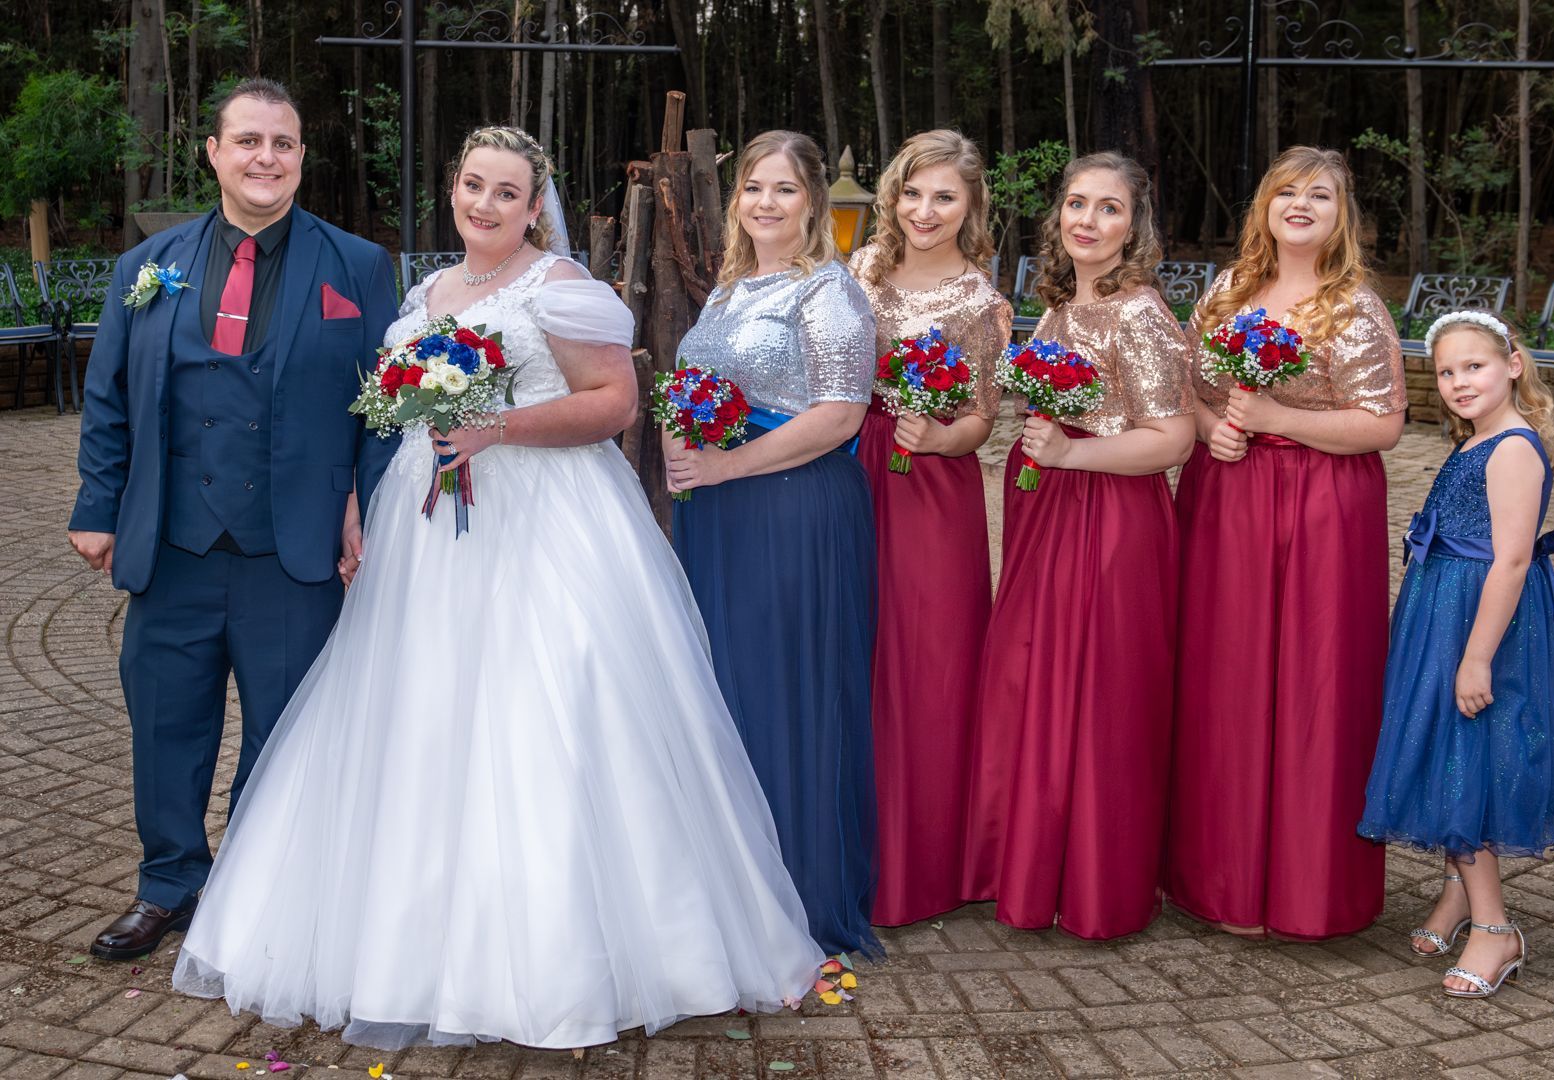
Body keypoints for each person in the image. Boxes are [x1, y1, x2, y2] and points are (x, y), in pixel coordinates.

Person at [171, 126, 823, 1050]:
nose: (485, 205)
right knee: (420, 715)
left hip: (545, 524)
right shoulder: (426, 293)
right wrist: (360, 499)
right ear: (454, 188)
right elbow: (393, 420)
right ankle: (409, 949)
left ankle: (569, 962)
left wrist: (497, 429)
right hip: (425, 529)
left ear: (532, 207)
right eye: (473, 185)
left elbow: (614, 404)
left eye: (507, 193)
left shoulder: (559, 287)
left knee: (544, 710)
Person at [67, 78, 399, 960]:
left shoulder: (358, 266)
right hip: (170, 540)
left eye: (282, 143)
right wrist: (97, 505)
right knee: (165, 724)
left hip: (293, 545)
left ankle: (256, 894)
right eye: (247, 140)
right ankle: (169, 884)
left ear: (302, 157)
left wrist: (368, 511)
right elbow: (108, 397)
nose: (265, 157)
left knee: (283, 731)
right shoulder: (146, 268)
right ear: (213, 153)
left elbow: (385, 407)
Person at [1163, 146, 1406, 940]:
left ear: (1342, 217)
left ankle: (1303, 888)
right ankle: (1219, 877)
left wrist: (1279, 419)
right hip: (1227, 497)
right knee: (1224, 675)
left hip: (1323, 505)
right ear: (1264, 206)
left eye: (1321, 195)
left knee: (1313, 679)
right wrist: (1214, 429)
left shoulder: (1354, 306)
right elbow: (1191, 390)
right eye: (1288, 191)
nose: (1302, 204)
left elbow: (1384, 424)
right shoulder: (1227, 290)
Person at [960, 152, 1194, 939]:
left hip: (1113, 520)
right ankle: (1037, 868)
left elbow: (1172, 439)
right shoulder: (1064, 303)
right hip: (1053, 510)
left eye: (1109, 208)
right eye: (1077, 203)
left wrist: (1070, 453)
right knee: (1039, 682)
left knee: (1098, 693)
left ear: (1135, 226)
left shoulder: (1141, 315)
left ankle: (1099, 885)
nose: (1087, 220)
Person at [665, 130, 881, 957]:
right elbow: (698, 391)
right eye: (753, 186)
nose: (765, 202)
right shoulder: (727, 293)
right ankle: (732, 887)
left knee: (783, 688)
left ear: (814, 202)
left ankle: (795, 894)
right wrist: (685, 447)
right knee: (726, 686)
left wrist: (726, 465)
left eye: (784, 188)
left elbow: (841, 415)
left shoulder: (829, 292)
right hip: (721, 514)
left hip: (793, 511)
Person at [1359, 311, 1554, 998]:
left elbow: (1511, 560)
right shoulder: (1474, 440)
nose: (1458, 382)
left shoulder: (1511, 448)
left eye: (1474, 366)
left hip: (1483, 625)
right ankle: (1457, 895)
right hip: (1444, 614)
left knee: (1467, 760)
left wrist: (1477, 657)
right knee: (1444, 748)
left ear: (1513, 365)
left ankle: (1495, 928)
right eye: (1446, 371)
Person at [848, 130, 1011, 928]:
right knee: (861, 646)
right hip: (854, 467)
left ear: (971, 206)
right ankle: (854, 848)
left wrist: (942, 437)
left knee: (931, 659)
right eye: (913, 193)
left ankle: (929, 862)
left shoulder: (981, 301)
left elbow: (982, 417)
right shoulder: (862, 271)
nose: (924, 210)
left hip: (933, 486)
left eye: (944, 196)